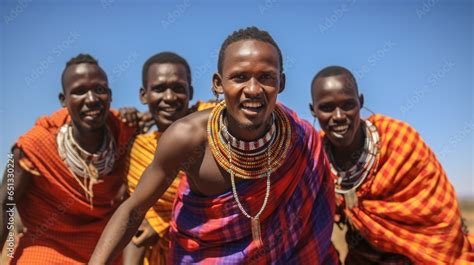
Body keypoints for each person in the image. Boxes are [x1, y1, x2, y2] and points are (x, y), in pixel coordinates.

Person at [90, 27, 338, 264]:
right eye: (239, 77)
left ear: (280, 83)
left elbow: (316, 225)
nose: (253, 89)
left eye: (266, 78)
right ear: (218, 84)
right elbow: (134, 209)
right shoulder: (188, 138)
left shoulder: (300, 138)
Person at [310, 65, 474, 264]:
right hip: (363, 257)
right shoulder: (315, 157)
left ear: (360, 102)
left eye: (348, 105)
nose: (338, 116)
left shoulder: (397, 140)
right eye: (327, 108)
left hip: (418, 258)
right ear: (313, 110)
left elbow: (439, 219)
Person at [0, 54, 136, 264]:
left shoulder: (124, 130)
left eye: (99, 90)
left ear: (110, 95)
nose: (91, 99)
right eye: (79, 91)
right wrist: (8, 249)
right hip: (46, 249)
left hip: (105, 252)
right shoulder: (30, 147)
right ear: (64, 100)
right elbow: (4, 203)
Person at [122, 51, 215, 265]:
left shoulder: (213, 125)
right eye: (159, 88)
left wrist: (160, 223)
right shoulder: (138, 148)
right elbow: (136, 216)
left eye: (178, 88)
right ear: (143, 95)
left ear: (190, 92)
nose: (169, 97)